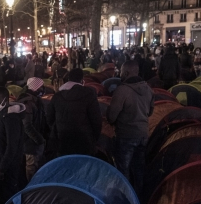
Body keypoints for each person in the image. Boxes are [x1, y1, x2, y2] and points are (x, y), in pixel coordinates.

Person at [106, 61, 154, 194]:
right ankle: (140, 195)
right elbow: (150, 112)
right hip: (143, 134)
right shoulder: (148, 89)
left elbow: (112, 116)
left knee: (123, 168)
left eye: (121, 72)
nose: (119, 74)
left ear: (126, 73)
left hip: (126, 135)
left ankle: (126, 196)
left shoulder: (122, 91)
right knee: (139, 168)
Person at [46, 68, 102, 156]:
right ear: (82, 80)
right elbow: (96, 120)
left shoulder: (57, 96)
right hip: (84, 140)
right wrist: (93, 138)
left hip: (62, 139)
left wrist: (58, 129)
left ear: (68, 79)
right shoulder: (89, 94)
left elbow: (49, 118)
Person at [0, 86, 25, 202]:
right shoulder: (2, 114)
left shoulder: (10, 117)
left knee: (9, 196)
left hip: (7, 168)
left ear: (5, 99)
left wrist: (2, 168)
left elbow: (12, 147)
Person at [17, 77, 47, 181]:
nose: (43, 89)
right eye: (41, 87)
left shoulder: (34, 100)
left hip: (32, 140)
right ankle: (31, 186)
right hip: (30, 142)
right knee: (31, 166)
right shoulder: (28, 102)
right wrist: (39, 140)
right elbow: (27, 126)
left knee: (35, 164)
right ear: (35, 88)